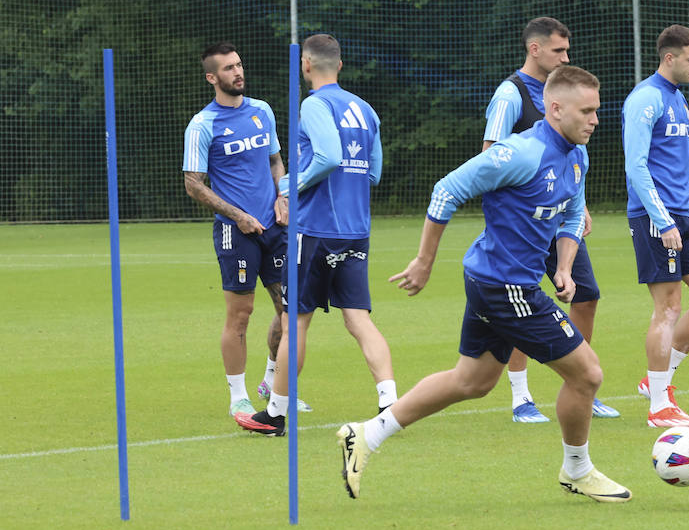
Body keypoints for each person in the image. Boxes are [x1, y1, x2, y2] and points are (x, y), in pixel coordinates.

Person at [334, 65, 630, 503]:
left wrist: (564, 267)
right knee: (587, 375)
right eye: (586, 111)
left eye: (597, 111)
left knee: (472, 381)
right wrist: (423, 261)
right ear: (554, 109)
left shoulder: (577, 156)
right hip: (506, 287)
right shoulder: (519, 153)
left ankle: (365, 435)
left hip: (498, 280)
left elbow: (570, 214)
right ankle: (578, 471)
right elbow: (446, 190)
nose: (595, 120)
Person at [236, 34, 397, 435]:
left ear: (305, 65)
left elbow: (327, 156)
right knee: (358, 319)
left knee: (296, 324)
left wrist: (292, 184)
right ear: (339, 65)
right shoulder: (365, 109)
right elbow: (374, 172)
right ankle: (391, 402)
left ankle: (274, 414)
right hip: (356, 230)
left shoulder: (314, 104)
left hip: (316, 231)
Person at [482, 17, 619, 423]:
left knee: (586, 295)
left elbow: (569, 159)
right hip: (522, 225)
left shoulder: (560, 95)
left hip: (559, 222)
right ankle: (521, 399)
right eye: (559, 50)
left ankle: (579, 386)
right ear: (535, 49)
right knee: (524, 303)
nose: (566, 57)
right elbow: (490, 153)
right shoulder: (510, 94)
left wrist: (580, 204)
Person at [182, 41, 312, 421]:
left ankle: (273, 384)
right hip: (235, 232)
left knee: (290, 310)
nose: (238, 72)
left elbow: (275, 160)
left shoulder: (262, 111)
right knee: (241, 314)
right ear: (212, 77)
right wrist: (237, 215)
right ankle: (238, 397)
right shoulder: (202, 125)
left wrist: (283, 197)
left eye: (239, 65)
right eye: (228, 69)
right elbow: (194, 183)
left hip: (276, 226)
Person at [623, 24, 689, 428]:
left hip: (682, 216)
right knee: (667, 308)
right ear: (670, 58)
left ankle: (656, 380)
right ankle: (660, 406)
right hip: (655, 218)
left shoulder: (679, 102)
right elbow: (636, 166)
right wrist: (663, 219)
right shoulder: (645, 100)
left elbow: (680, 173)